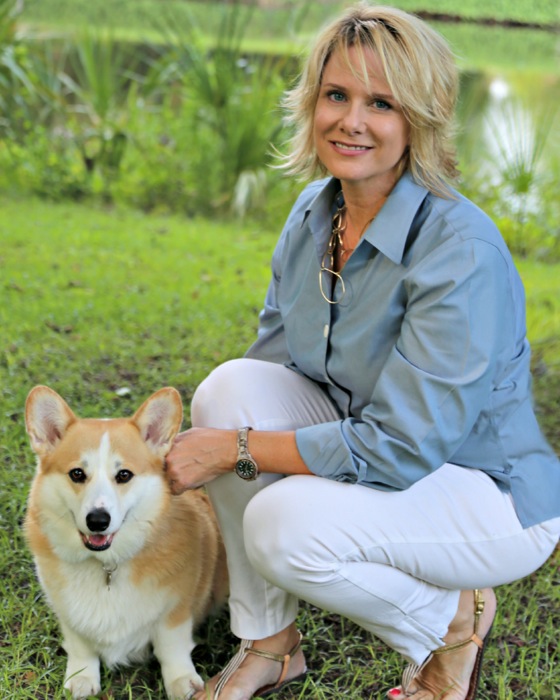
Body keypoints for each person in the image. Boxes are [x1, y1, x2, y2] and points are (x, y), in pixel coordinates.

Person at [165, 4, 560, 699]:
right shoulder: (315, 213)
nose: (352, 120)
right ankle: (271, 645)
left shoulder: (457, 251)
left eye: (381, 102)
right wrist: (223, 447)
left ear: (420, 118)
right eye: (336, 94)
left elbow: (400, 447)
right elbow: (272, 369)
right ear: (312, 102)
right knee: (227, 390)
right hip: (390, 460)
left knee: (281, 524)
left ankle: (451, 629)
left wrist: (236, 452)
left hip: (487, 494)